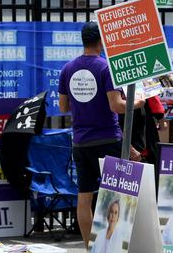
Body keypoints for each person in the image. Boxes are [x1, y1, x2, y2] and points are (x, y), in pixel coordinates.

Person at [58, 21, 144, 247]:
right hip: (107, 140)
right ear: (101, 42)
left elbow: (62, 107)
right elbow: (116, 106)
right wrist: (137, 102)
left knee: (84, 198)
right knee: (116, 196)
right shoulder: (106, 68)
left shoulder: (68, 69)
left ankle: (89, 247)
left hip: (80, 142)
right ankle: (114, 248)